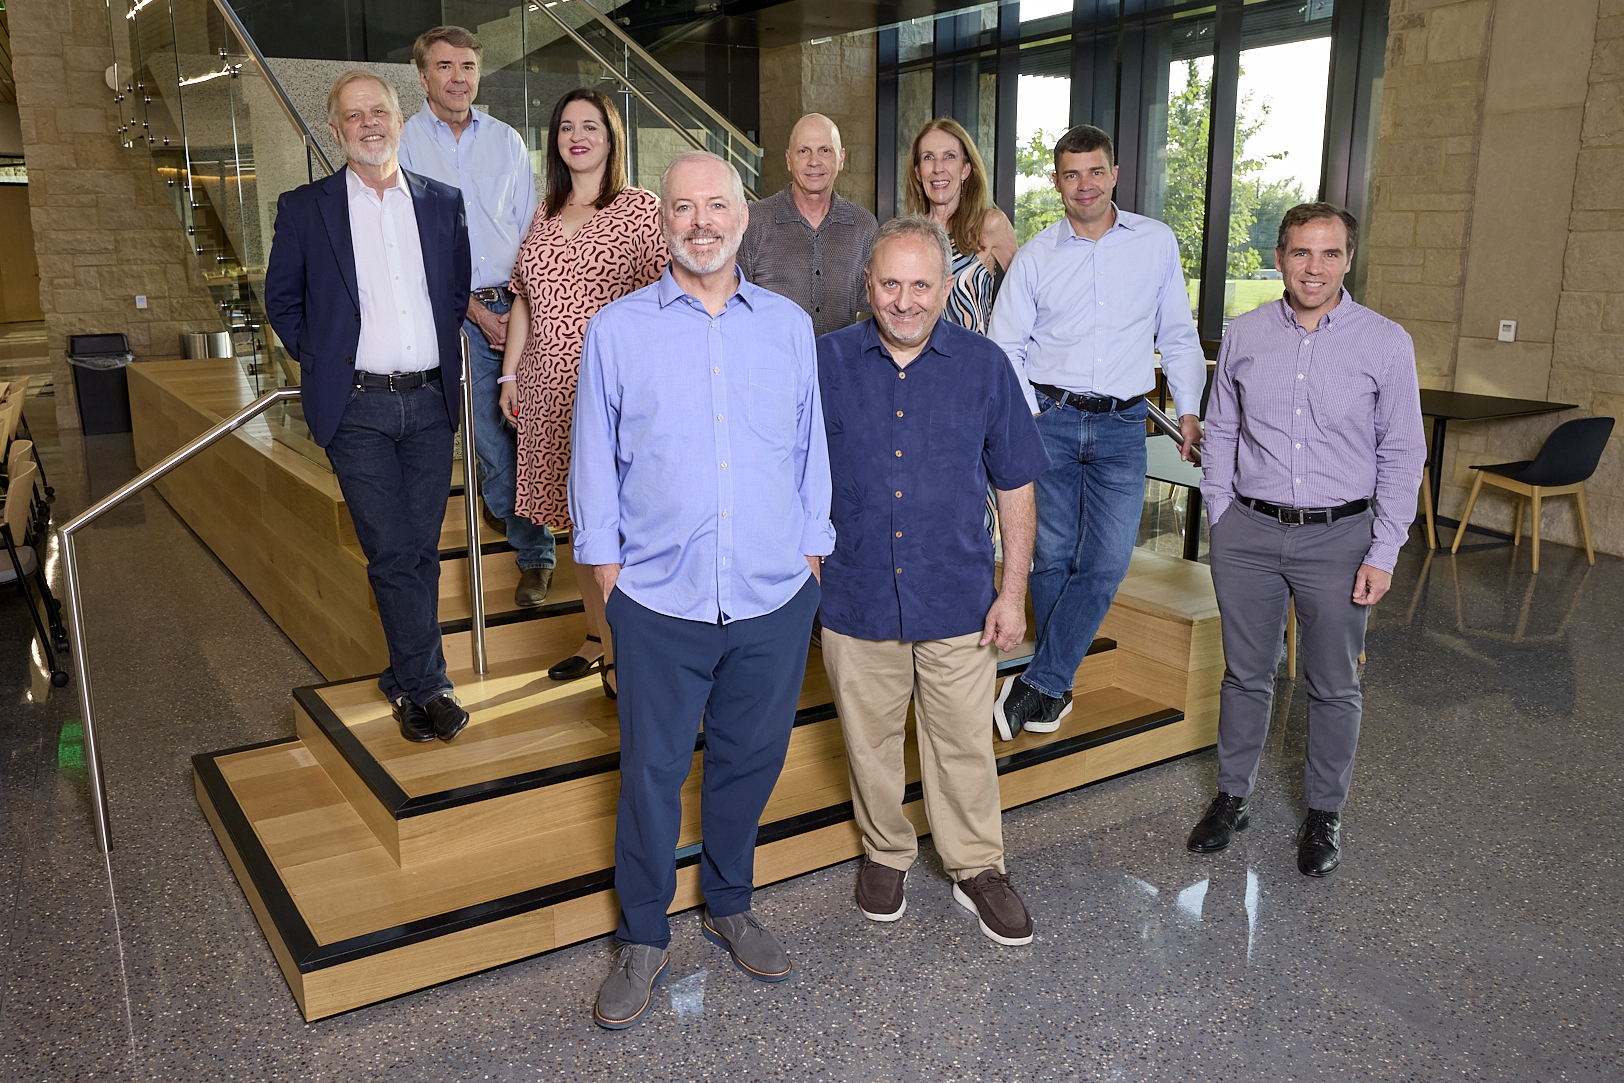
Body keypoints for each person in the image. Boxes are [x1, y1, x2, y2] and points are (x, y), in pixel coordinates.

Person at [571, 150, 833, 1029]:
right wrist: (606, 568)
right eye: (683, 208)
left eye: (716, 206)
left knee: (749, 759)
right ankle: (643, 934)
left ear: (743, 217)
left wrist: (811, 551)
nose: (701, 223)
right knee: (648, 773)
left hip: (771, 595)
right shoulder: (616, 331)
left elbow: (811, 450)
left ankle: (730, 901)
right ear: (663, 222)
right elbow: (594, 465)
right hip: (658, 599)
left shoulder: (789, 327)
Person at [816, 215, 1050, 945]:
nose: (906, 300)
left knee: (961, 743)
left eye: (922, 284)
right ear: (868, 286)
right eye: (891, 283)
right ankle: (885, 850)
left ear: (947, 288)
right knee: (869, 739)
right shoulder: (824, 360)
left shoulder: (985, 367)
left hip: (958, 596)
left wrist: (1013, 592)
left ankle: (977, 865)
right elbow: (790, 466)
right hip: (854, 593)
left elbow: (1016, 484)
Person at [1187, 202, 1424, 877]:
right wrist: (1221, 511)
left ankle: (1324, 811)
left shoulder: (1385, 341)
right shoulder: (1247, 330)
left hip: (1339, 536)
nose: (1313, 267)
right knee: (1245, 674)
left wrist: (1384, 550)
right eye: (1300, 253)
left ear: (1348, 259)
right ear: (1280, 256)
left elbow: (1403, 452)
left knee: (1332, 682)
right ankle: (1232, 797)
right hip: (1249, 532)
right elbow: (1223, 426)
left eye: (1328, 254)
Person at [265, 72, 471, 744]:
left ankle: (406, 683)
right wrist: (324, 359)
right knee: (391, 552)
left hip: (430, 404)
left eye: (378, 110)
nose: (368, 123)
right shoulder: (305, 208)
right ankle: (431, 686)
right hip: (357, 410)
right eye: (353, 115)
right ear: (335, 131)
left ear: (400, 120)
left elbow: (454, 292)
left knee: (421, 552)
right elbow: (282, 302)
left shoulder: (444, 204)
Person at [988, 123, 1206, 741]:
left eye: (1094, 171)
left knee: (1107, 562)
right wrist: (1029, 415)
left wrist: (1188, 409)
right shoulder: (1035, 255)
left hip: (1121, 427)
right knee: (1052, 556)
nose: (1083, 185)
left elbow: (1179, 334)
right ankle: (1054, 690)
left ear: (1114, 174)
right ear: (1057, 182)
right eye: (1070, 174)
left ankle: (1041, 681)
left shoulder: (1155, 244)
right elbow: (1005, 346)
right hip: (1051, 421)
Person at [501, 88, 667, 696]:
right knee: (574, 523)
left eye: (590, 126)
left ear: (611, 137)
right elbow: (523, 296)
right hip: (546, 393)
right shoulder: (545, 211)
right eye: (566, 126)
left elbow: (662, 305)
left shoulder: (640, 209)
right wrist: (511, 373)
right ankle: (595, 638)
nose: (577, 136)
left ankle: (627, 652)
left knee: (616, 524)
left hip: (611, 394)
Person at [397, 26, 552, 609]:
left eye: (467, 66)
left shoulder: (507, 140)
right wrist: (473, 312)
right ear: (423, 75)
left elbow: (529, 228)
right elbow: (413, 242)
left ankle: (531, 545)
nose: (458, 77)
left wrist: (518, 307)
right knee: (488, 439)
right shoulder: (407, 143)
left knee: (527, 430)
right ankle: (528, 546)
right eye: (445, 66)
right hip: (449, 311)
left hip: (516, 304)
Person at [737, 112, 878, 337]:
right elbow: (735, 308)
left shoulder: (864, 226)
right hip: (772, 368)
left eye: (825, 150)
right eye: (804, 151)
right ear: (788, 159)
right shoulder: (753, 222)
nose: (814, 161)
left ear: (841, 158)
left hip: (842, 368)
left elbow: (870, 311)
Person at [903, 117, 1017, 334]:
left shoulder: (990, 225)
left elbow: (1025, 299)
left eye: (949, 157)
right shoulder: (909, 236)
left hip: (974, 362)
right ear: (918, 172)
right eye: (928, 158)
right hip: (916, 363)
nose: (938, 168)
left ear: (965, 169)